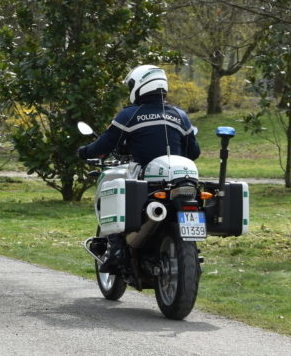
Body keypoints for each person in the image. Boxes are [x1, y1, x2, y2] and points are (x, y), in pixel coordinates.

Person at [78, 64, 200, 272]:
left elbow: (105, 144)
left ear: (140, 85)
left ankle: (116, 248)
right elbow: (194, 152)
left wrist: (84, 151)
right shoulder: (180, 116)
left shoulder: (130, 115)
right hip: (180, 180)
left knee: (114, 186)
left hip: (146, 178)